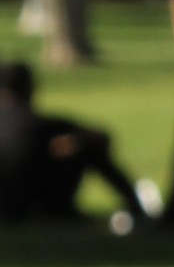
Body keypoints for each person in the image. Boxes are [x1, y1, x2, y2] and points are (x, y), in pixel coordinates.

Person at [0, 58, 157, 226]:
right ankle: (135, 205)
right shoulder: (43, 125)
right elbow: (102, 137)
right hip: (36, 203)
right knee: (88, 148)